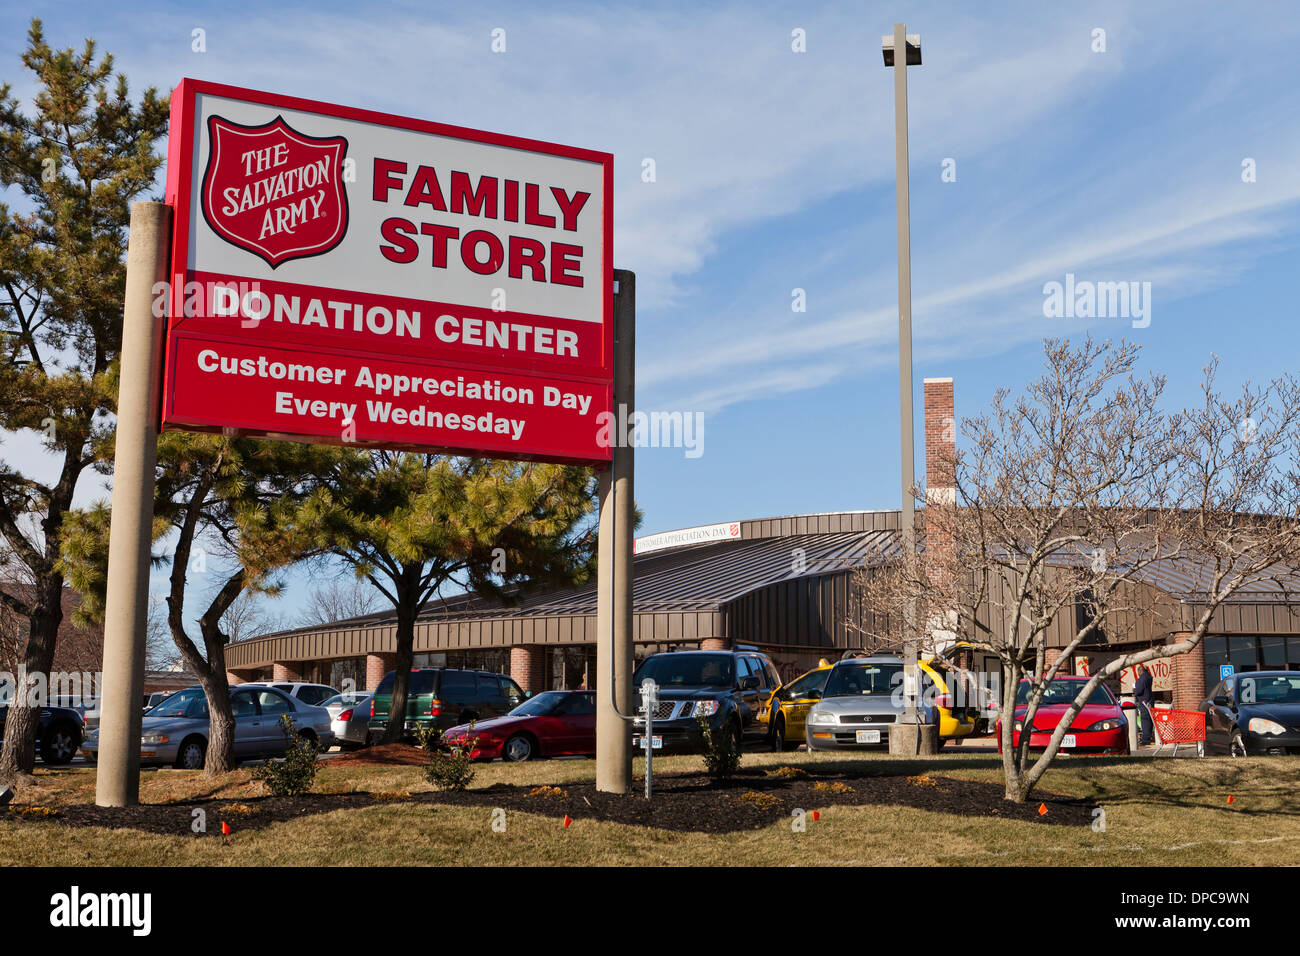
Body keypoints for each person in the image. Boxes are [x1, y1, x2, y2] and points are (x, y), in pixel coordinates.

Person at [1133, 664, 1156, 746]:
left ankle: (1146, 739)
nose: (1138, 674)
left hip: (1144, 701)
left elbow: (1139, 691)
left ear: (1140, 671)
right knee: (1150, 719)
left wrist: (1134, 690)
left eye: (1138, 672)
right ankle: (1149, 737)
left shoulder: (1141, 679)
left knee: (1145, 720)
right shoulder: (1149, 677)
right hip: (1150, 700)